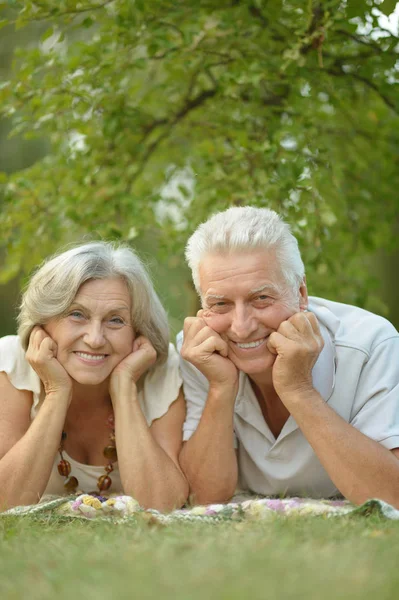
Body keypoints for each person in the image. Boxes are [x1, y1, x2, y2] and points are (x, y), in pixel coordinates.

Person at [177, 206, 399, 507]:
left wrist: (299, 391)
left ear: (301, 294)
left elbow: (392, 497)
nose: (241, 328)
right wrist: (220, 388)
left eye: (262, 298)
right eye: (220, 304)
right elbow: (202, 498)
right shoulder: (199, 352)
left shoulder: (371, 344)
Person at [0, 241, 188, 511]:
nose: (95, 339)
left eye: (115, 320)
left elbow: (163, 504)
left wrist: (124, 387)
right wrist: (56, 391)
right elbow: (5, 503)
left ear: (138, 333)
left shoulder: (161, 370)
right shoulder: (12, 363)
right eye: (77, 315)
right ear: (43, 323)